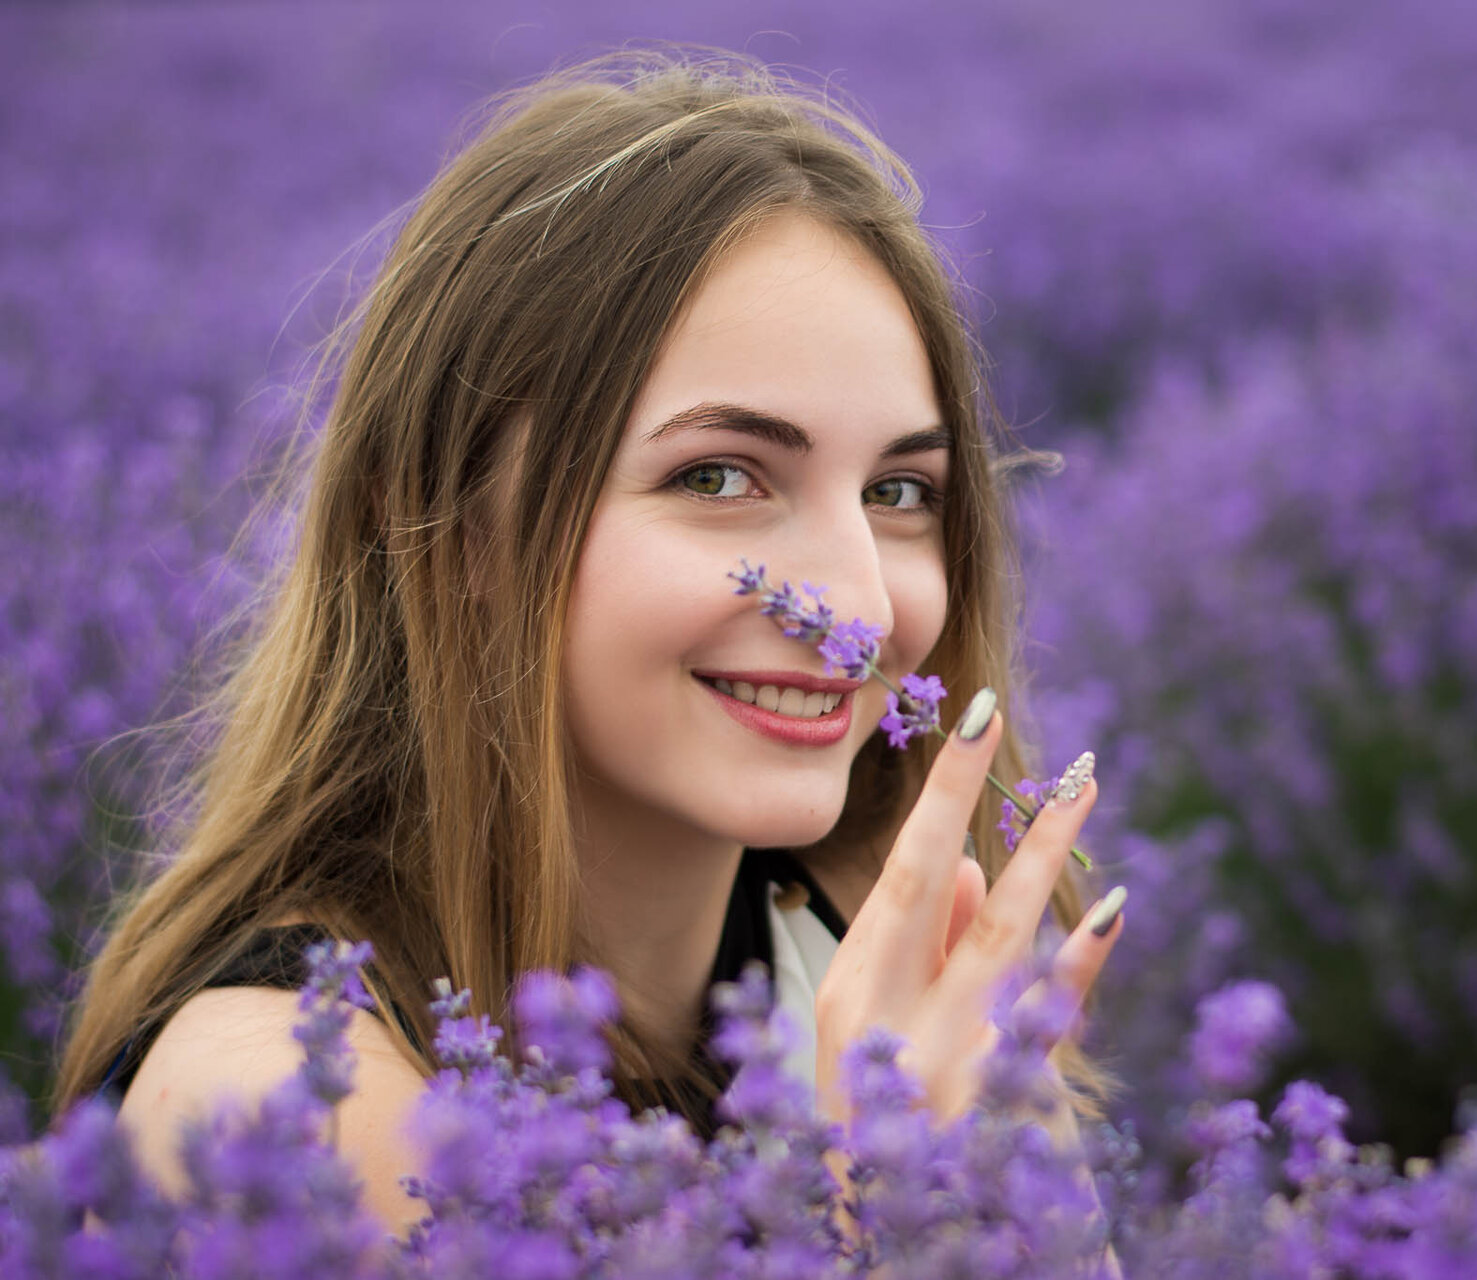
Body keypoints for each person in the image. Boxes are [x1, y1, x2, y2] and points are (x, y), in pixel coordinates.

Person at [51, 47, 1127, 1238]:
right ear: (450, 532)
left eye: (901, 490)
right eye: (720, 476)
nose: (860, 604)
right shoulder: (297, 1109)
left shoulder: (866, 974)